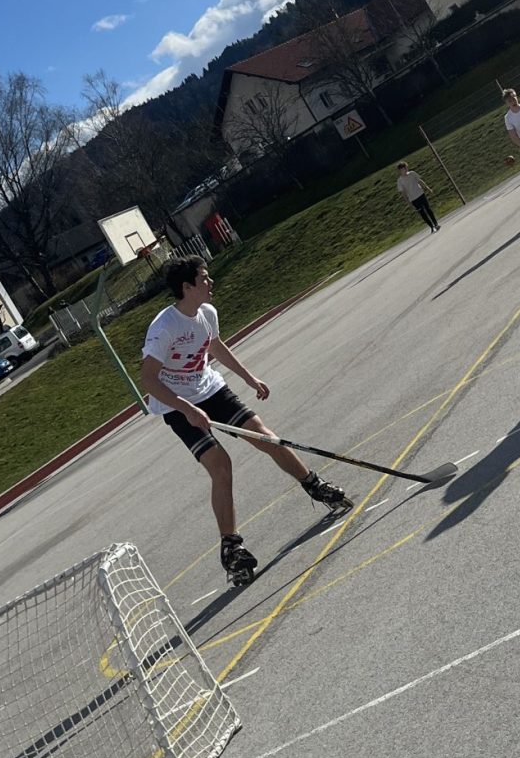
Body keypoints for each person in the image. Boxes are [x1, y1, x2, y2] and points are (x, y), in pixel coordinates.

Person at [140, 256, 350, 587]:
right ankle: (231, 548)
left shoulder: (207, 313)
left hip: (210, 389)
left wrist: (250, 379)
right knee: (220, 465)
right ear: (187, 287)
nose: (210, 282)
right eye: (204, 278)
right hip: (176, 405)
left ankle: (314, 485)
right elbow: (149, 380)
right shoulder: (164, 327)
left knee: (265, 437)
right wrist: (187, 409)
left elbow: (214, 346)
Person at [396, 160, 440, 232]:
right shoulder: (400, 181)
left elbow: (420, 181)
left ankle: (436, 224)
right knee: (422, 213)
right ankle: (431, 227)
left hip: (420, 194)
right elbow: (403, 193)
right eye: (403, 169)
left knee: (428, 209)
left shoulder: (412, 173)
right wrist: (408, 202)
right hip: (413, 199)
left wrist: (427, 188)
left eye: (406, 168)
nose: (405, 170)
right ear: (400, 170)